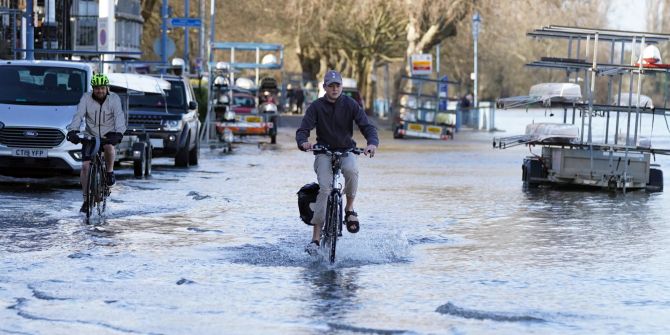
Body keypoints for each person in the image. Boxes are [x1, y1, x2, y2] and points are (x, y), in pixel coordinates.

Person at [295, 70, 379, 254]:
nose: (334, 89)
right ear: (324, 87)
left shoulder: (351, 104)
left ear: (342, 87)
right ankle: (315, 238)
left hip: (346, 150)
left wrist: (372, 144)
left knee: (352, 170)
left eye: (337, 85)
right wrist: (304, 143)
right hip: (323, 152)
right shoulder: (316, 106)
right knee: (325, 189)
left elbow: (367, 126)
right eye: (330, 86)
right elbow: (303, 129)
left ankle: (349, 209)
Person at [65, 73, 126, 213]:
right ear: (93, 88)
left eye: (102, 88)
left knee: (109, 148)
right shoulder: (86, 98)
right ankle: (86, 200)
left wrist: (119, 133)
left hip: (108, 133)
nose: (100, 91)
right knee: (86, 166)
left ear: (107, 88)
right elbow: (78, 115)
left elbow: (119, 117)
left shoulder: (114, 99)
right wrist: (73, 131)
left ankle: (109, 172)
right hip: (90, 135)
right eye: (97, 88)